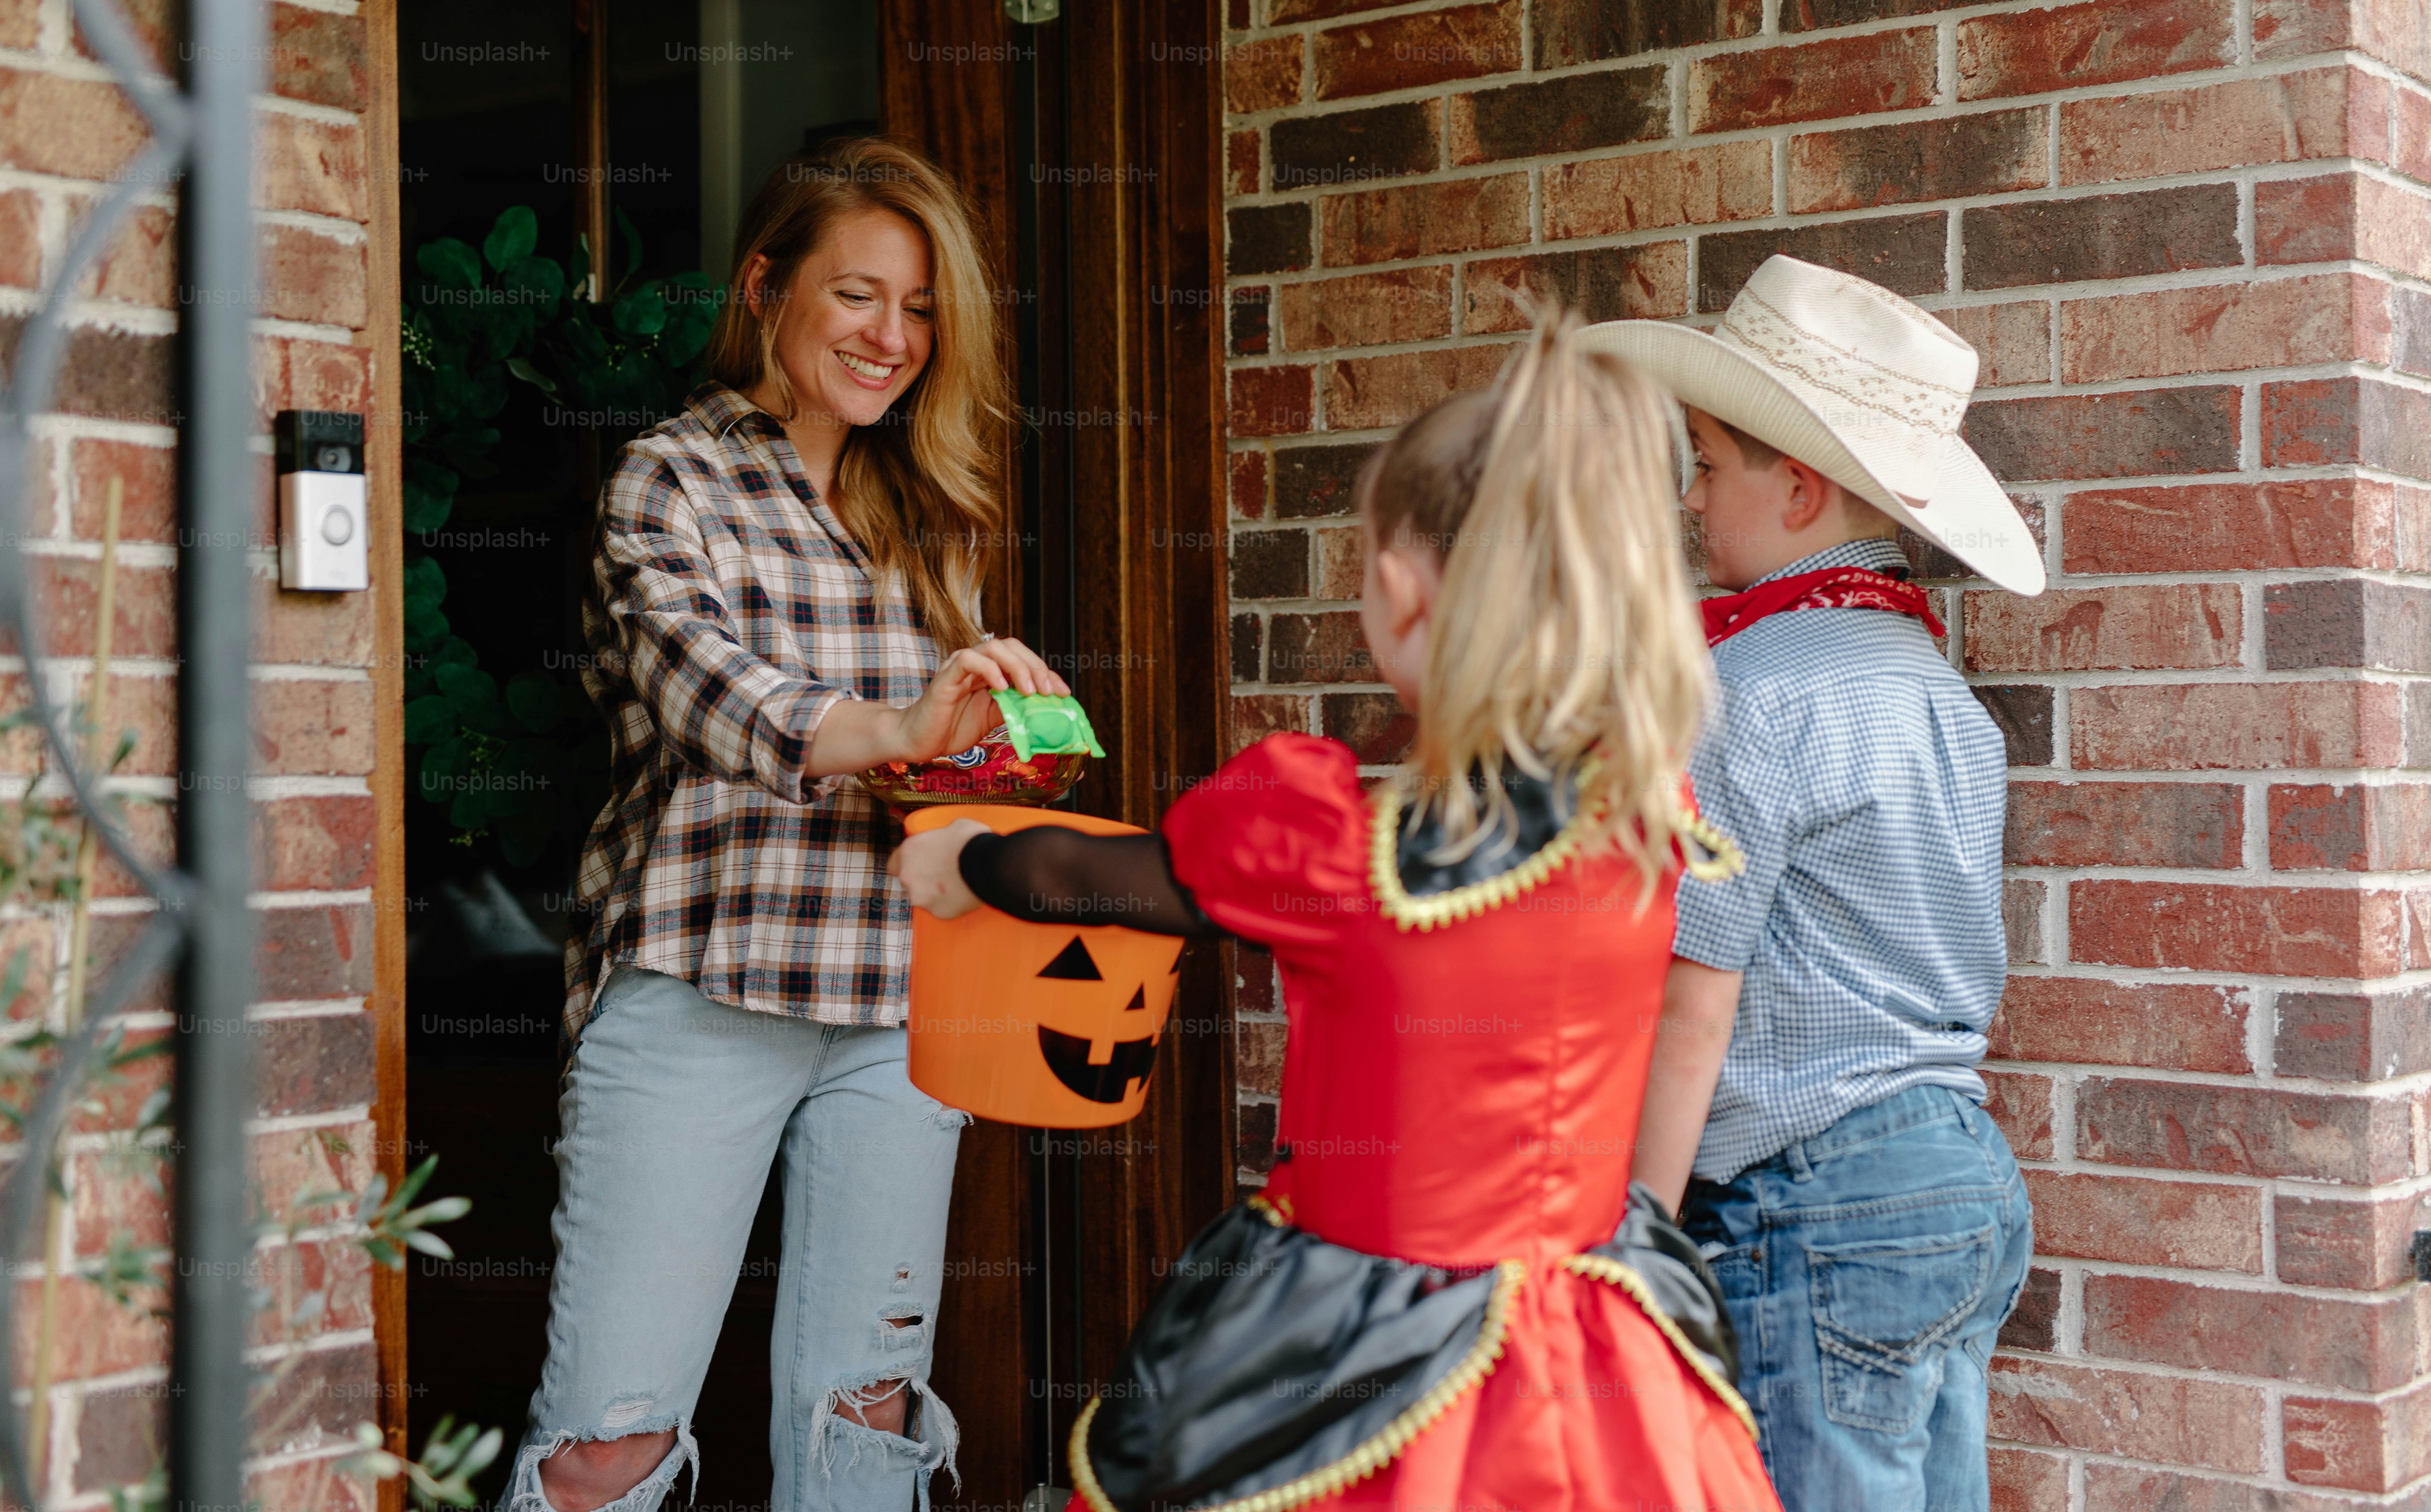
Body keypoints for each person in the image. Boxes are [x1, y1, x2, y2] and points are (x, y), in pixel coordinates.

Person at [894, 315, 1782, 1512]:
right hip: (1593, 1326)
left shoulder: (1340, 851)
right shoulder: (1644, 810)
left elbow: (1091, 880)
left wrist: (965, 862)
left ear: (1406, 597)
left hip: (1372, 1345)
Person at [506, 135, 1067, 1512]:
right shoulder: (670, 481)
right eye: (859, 295)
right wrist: (904, 729)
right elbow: (712, 696)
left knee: (866, 1422)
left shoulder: (933, 513)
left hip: (895, 1008)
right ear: (767, 288)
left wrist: (1019, 743)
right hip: (703, 993)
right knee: (611, 1439)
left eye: (922, 309)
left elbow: (954, 789)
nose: (894, 338)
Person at [1594, 254, 2041, 1512]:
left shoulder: (1745, 693)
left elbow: (1696, 1008)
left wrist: (1635, 1235)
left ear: (1795, 489)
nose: (1689, 500)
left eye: (1707, 463)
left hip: (1818, 1203)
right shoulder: (1941, 695)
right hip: (1958, 1179)